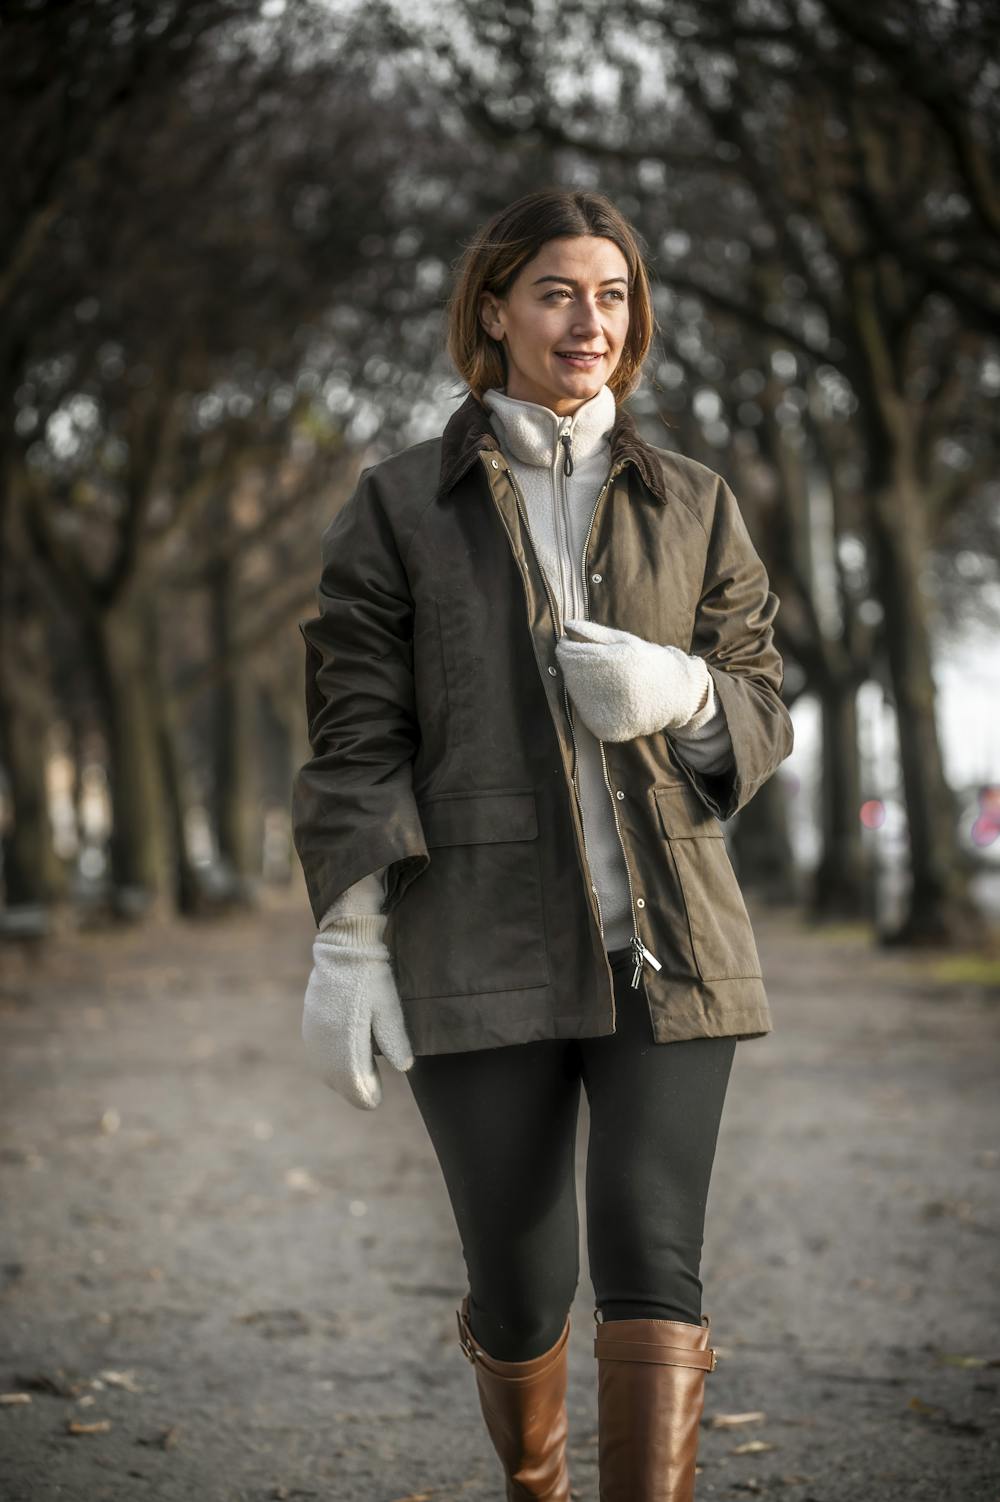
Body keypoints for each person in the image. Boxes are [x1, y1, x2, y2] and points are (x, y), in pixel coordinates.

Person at [292, 186, 794, 1502]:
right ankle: (535, 1480)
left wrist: (682, 691)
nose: (591, 321)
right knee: (521, 1289)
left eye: (614, 294)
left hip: (667, 949)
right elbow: (355, 731)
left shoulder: (694, 501)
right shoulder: (400, 506)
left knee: (653, 1257)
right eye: (560, 292)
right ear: (497, 309)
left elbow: (760, 702)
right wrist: (349, 932)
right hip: (478, 945)